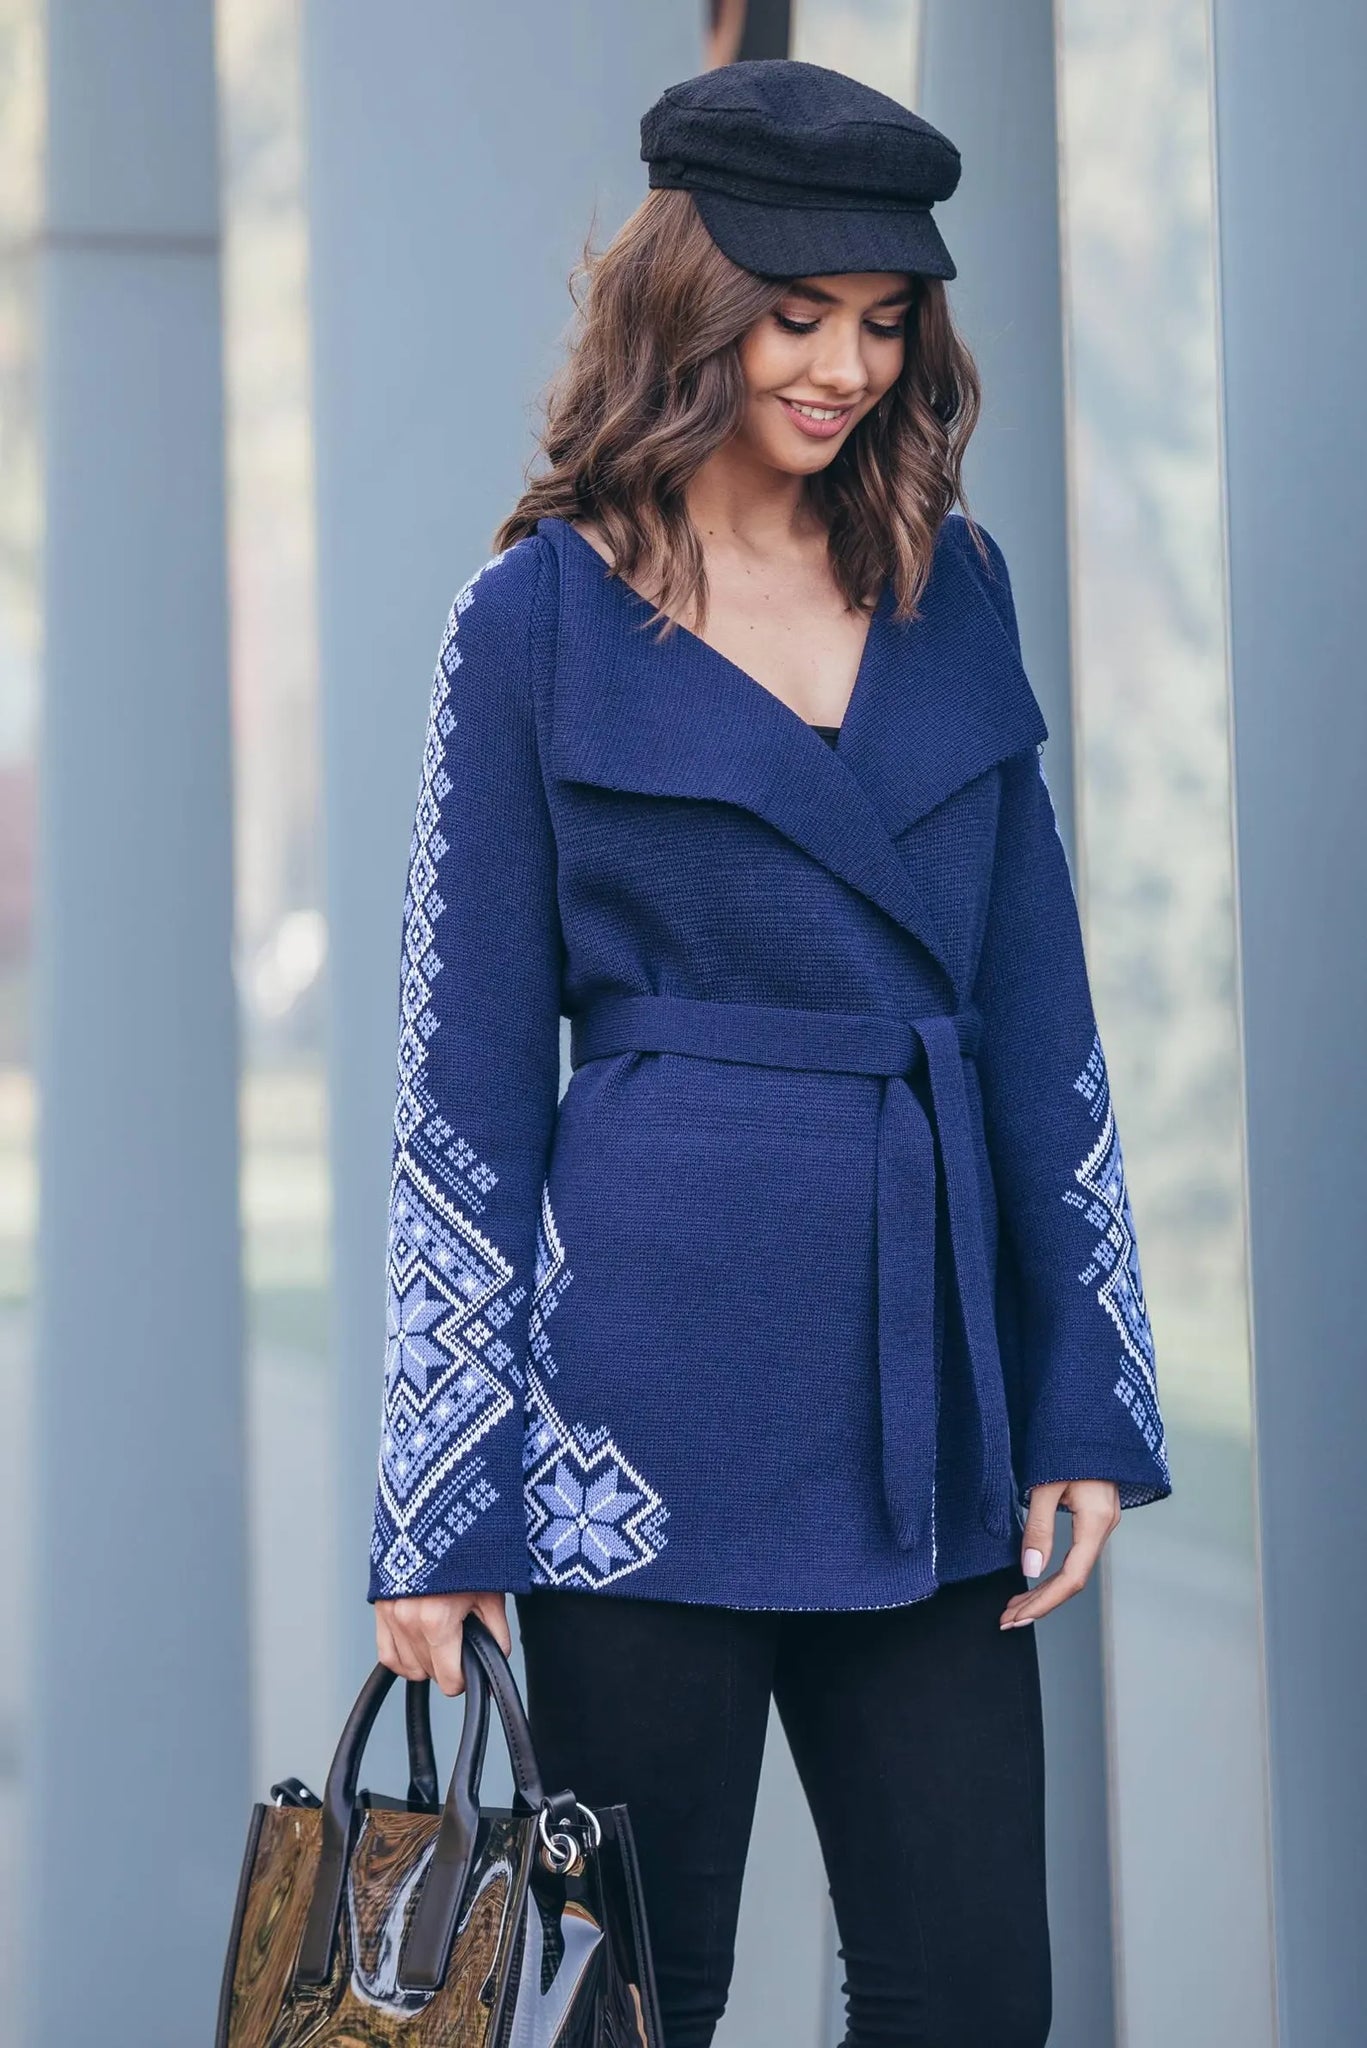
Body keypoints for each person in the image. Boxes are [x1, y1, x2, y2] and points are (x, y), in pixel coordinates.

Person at [369, 58, 1171, 2048]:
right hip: (630, 1418)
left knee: (975, 1985)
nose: (845, 367)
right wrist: (437, 1502)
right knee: (616, 1998)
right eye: (798, 314)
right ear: (688, 302)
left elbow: (1040, 1016)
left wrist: (1082, 1388)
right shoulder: (535, 619)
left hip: (928, 1404)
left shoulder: (945, 587)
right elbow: (459, 1080)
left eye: (885, 321)